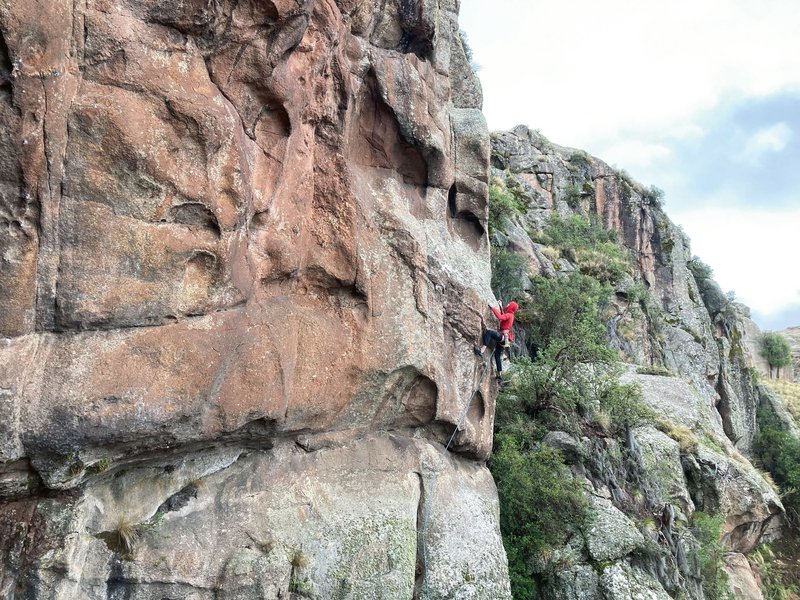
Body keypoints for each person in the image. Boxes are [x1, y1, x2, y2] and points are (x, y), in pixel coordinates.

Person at [474, 301, 519, 380]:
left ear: (511, 307)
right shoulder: (510, 315)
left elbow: (500, 317)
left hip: (503, 337)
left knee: (489, 333)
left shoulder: (509, 315)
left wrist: (492, 308)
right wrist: (500, 307)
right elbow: (503, 316)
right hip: (506, 340)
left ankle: (481, 350)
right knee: (497, 355)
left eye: (509, 304)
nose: (507, 304)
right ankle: (499, 374)